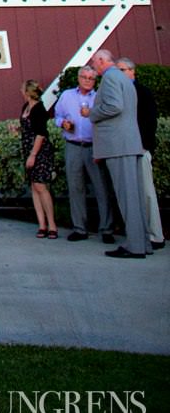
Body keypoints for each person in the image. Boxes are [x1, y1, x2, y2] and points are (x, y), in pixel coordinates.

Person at [89, 49, 151, 259]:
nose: (94, 68)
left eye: (94, 63)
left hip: (118, 145)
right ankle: (143, 243)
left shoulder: (110, 78)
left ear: (100, 61)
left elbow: (114, 106)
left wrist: (92, 114)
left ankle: (134, 246)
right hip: (129, 143)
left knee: (126, 197)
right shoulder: (124, 79)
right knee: (134, 196)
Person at [53, 66, 115, 244]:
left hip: (94, 146)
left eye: (91, 78)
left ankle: (106, 229)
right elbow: (57, 116)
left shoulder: (99, 98)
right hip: (73, 145)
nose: (87, 80)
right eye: (85, 77)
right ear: (78, 78)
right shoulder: (67, 96)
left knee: (101, 188)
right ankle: (80, 228)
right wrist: (62, 123)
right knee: (75, 188)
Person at [117, 58, 165, 250]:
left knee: (146, 192)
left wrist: (144, 145)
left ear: (131, 71)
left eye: (121, 70)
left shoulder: (142, 92)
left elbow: (149, 120)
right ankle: (139, 233)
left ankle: (156, 234)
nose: (118, 74)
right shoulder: (120, 93)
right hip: (125, 149)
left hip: (140, 149)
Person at [19, 79, 58, 239]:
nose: (21, 93)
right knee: (34, 186)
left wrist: (33, 155)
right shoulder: (26, 107)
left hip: (39, 151)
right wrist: (17, 129)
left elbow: (40, 133)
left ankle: (52, 225)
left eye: (23, 90)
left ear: (28, 92)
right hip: (28, 148)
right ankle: (41, 224)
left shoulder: (39, 109)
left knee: (41, 186)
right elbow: (28, 127)